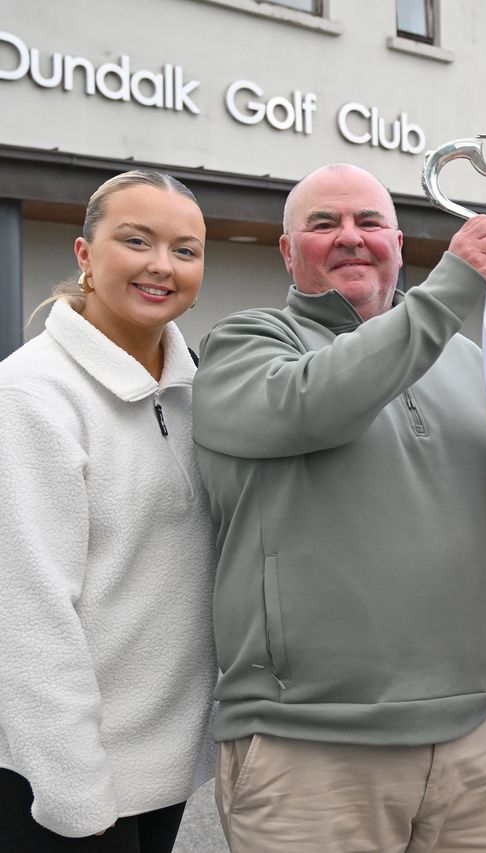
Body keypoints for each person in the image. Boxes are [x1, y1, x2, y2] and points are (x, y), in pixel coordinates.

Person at [191, 163, 486, 852]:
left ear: (398, 242)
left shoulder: (468, 360)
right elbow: (316, 402)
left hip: (474, 736)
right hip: (313, 749)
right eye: (324, 225)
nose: (350, 237)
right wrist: (450, 288)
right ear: (288, 253)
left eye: (369, 222)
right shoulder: (244, 347)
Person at [0, 171, 216, 851]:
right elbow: (26, 611)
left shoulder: (195, 389)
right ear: (85, 253)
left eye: (186, 249)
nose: (162, 265)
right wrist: (71, 786)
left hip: (162, 769)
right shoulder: (31, 394)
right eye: (136, 240)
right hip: (61, 784)